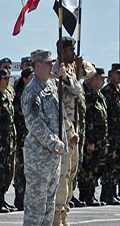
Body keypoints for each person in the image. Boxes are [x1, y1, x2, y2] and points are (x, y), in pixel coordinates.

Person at [21, 49, 71, 226]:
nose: (52, 66)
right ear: (39, 65)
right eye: (49, 63)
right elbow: (34, 124)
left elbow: (75, 91)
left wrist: (63, 77)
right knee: (36, 208)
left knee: (49, 208)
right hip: (38, 158)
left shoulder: (51, 86)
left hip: (53, 158)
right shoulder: (32, 91)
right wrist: (54, 142)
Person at [54, 37, 90, 224]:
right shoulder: (54, 71)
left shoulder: (71, 70)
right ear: (62, 51)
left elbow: (81, 85)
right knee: (62, 174)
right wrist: (62, 76)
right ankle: (56, 216)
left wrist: (76, 68)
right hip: (62, 129)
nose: (74, 53)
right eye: (70, 50)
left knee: (71, 174)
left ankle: (64, 213)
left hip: (74, 129)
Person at [79, 68, 108, 206]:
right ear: (94, 79)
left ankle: (91, 194)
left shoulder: (100, 96)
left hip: (101, 140)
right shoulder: (89, 96)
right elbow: (87, 119)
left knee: (97, 168)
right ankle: (86, 195)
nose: (103, 81)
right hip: (92, 140)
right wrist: (89, 140)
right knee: (89, 169)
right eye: (101, 78)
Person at [0, 69, 17, 213]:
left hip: (10, 140)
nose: (7, 81)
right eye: (4, 78)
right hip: (1, 141)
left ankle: (3, 199)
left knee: (8, 171)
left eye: (8, 78)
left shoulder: (8, 96)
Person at [100, 63, 120, 206]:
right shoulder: (107, 92)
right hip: (110, 136)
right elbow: (105, 116)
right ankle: (107, 194)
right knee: (109, 166)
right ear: (111, 75)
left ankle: (113, 193)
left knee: (117, 166)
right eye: (118, 73)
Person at [13, 66, 34, 210]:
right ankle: (19, 198)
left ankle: (26, 198)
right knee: (21, 169)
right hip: (22, 137)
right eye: (31, 77)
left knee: (30, 169)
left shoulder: (31, 93)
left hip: (31, 137)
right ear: (25, 79)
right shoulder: (20, 95)